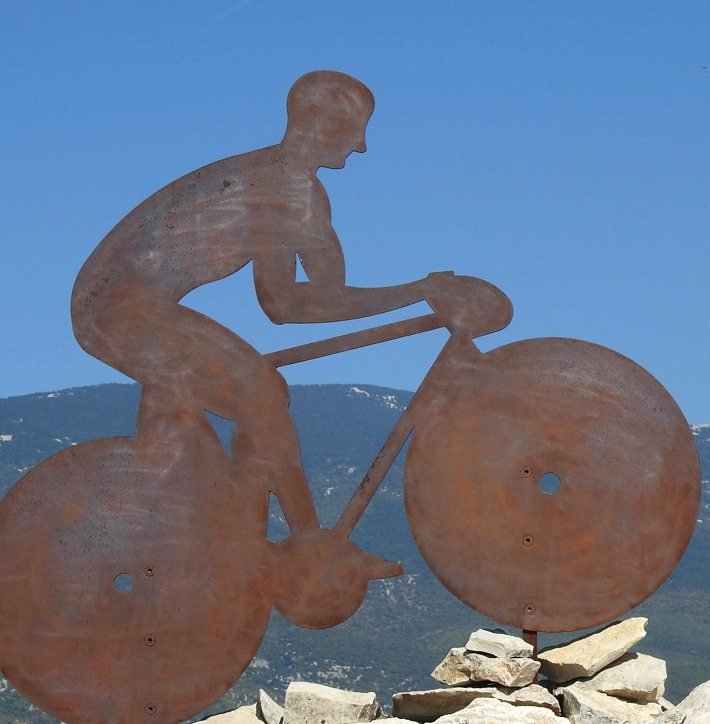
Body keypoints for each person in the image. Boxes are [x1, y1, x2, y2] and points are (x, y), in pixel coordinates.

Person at [70, 70, 511, 625]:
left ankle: (301, 545)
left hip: (134, 305)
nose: (363, 144)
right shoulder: (277, 187)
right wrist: (422, 291)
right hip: (117, 309)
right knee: (259, 391)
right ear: (318, 122)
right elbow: (283, 307)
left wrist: (423, 293)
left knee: (262, 390)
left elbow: (321, 294)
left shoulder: (299, 192)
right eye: (356, 128)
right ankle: (290, 549)